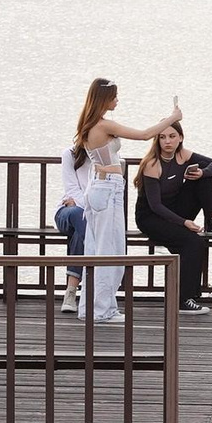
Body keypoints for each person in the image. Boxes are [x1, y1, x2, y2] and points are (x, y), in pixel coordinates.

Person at [69, 78, 181, 324]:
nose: (118, 100)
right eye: (115, 96)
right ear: (104, 99)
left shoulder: (92, 124)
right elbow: (144, 135)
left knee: (101, 250)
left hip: (104, 186)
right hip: (106, 188)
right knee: (108, 251)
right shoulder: (102, 125)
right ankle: (100, 310)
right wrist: (173, 118)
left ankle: (95, 308)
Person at [133, 121, 212, 315]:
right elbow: (155, 206)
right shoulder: (152, 164)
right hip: (151, 216)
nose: (167, 141)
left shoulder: (184, 155)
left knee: (205, 176)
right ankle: (183, 300)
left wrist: (202, 172)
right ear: (157, 139)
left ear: (180, 138)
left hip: (173, 210)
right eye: (162, 137)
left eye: (172, 136)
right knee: (192, 242)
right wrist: (184, 223)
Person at [54, 139, 91, 316]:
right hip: (67, 212)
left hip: (90, 217)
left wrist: (84, 204)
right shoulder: (70, 153)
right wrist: (86, 204)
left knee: (81, 231)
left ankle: (71, 292)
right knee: (79, 215)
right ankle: (95, 282)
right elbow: (71, 189)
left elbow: (109, 190)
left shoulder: (107, 156)